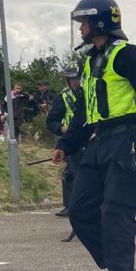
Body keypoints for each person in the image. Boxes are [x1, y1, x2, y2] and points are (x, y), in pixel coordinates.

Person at [52, 0, 136, 271]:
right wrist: (66, 145)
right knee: (80, 209)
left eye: (85, 22)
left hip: (126, 139)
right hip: (98, 141)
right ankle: (123, 269)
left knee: (115, 212)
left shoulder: (127, 54)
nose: (81, 29)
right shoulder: (89, 63)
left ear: (101, 22)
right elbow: (82, 113)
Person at [47, 66, 83, 217]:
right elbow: (51, 120)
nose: (75, 82)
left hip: (93, 138)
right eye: (72, 79)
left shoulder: (92, 92)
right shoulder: (63, 97)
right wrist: (62, 128)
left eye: (78, 78)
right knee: (71, 174)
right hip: (72, 140)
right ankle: (70, 206)